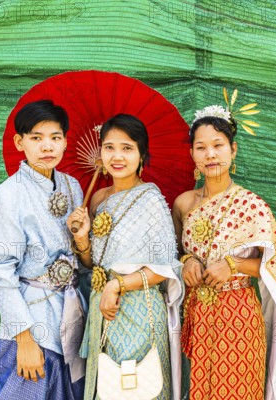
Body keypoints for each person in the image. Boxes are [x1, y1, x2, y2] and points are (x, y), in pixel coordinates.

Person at [172, 97, 276, 399]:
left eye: (218, 145)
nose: (210, 154)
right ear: (192, 153)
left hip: (238, 315)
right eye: (201, 147)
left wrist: (233, 265)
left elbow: (275, 265)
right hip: (194, 314)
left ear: (233, 149)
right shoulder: (183, 203)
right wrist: (186, 262)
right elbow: (174, 253)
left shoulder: (252, 205)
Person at [68, 114, 183, 400]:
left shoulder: (151, 199)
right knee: (106, 388)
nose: (117, 156)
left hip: (139, 308)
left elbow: (163, 268)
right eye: (109, 147)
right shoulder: (97, 199)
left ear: (142, 155)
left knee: (139, 387)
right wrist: (82, 237)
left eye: (127, 148)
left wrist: (115, 285)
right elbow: (92, 265)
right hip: (102, 308)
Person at [0, 99, 86, 399]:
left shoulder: (72, 186)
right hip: (32, 318)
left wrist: (81, 237)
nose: (47, 147)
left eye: (55, 137)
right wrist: (24, 339)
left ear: (65, 141)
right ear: (19, 142)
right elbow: (0, 275)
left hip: (71, 314)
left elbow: (82, 256)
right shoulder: (5, 198)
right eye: (36, 138)